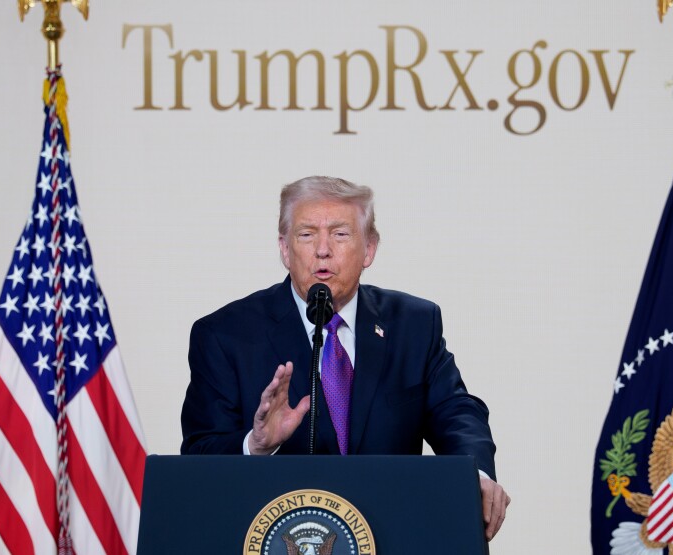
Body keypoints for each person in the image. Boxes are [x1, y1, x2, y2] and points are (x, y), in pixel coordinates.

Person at [181, 176, 510, 540]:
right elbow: (199, 455)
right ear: (285, 249)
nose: (322, 250)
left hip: (393, 533)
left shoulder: (413, 324)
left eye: (340, 234)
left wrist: (475, 476)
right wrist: (255, 445)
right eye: (306, 235)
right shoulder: (225, 334)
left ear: (369, 249)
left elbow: (456, 412)